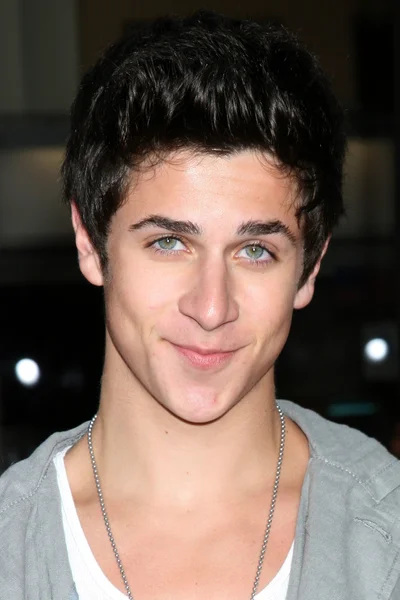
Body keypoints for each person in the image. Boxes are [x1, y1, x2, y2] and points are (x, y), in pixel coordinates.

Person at [1, 10, 399, 600]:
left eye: (256, 251)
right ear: (89, 242)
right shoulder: (11, 548)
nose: (211, 308)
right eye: (168, 243)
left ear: (310, 267)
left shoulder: (386, 537)